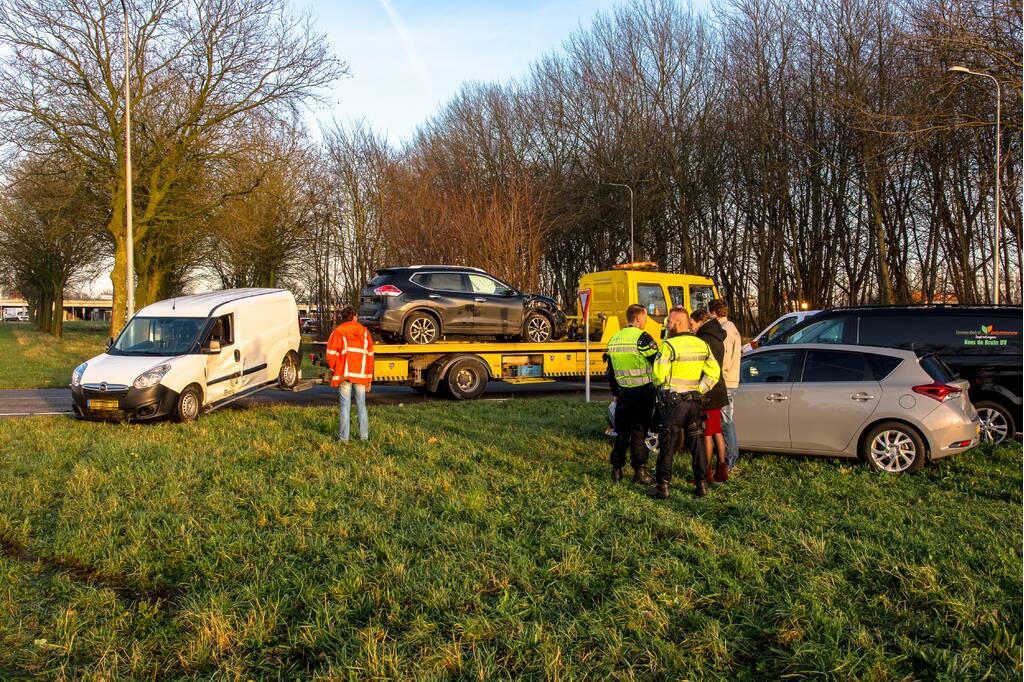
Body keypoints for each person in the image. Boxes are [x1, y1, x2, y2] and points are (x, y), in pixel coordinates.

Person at [647, 307, 721, 499]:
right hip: (694, 402)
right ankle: (701, 484)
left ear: (678, 324)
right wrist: (700, 389)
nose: (666, 325)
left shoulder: (669, 345)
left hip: (673, 404)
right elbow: (714, 373)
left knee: (667, 445)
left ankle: (662, 486)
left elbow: (658, 375)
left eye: (669, 322)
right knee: (696, 443)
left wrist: (662, 386)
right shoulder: (702, 344)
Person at [605, 303, 659, 484]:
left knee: (621, 433)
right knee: (638, 433)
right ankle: (639, 471)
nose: (646, 321)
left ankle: (616, 470)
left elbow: (610, 371)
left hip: (623, 393)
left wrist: (615, 392)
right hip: (643, 392)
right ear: (637, 318)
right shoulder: (643, 339)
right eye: (645, 317)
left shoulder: (614, 339)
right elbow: (658, 363)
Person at [325, 305, 374, 442]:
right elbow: (370, 356)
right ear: (354, 317)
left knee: (344, 407)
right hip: (361, 375)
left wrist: (335, 368)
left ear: (343, 318)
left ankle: (344, 439)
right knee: (361, 406)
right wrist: (369, 378)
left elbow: (330, 353)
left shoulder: (338, 332)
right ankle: (364, 438)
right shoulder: (365, 332)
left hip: (344, 374)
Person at [691, 308, 729, 483]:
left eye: (692, 324)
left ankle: (705, 474)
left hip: (708, 390)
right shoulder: (717, 335)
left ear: (700, 322)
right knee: (716, 431)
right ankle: (721, 470)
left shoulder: (704, 339)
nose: (691, 328)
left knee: (706, 434)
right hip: (718, 387)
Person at [709, 299, 742, 472]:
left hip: (726, 381)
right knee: (725, 421)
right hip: (731, 380)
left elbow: (725, 359)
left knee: (726, 422)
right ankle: (730, 460)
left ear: (714, 313)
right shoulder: (731, 327)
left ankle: (731, 461)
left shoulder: (725, 331)